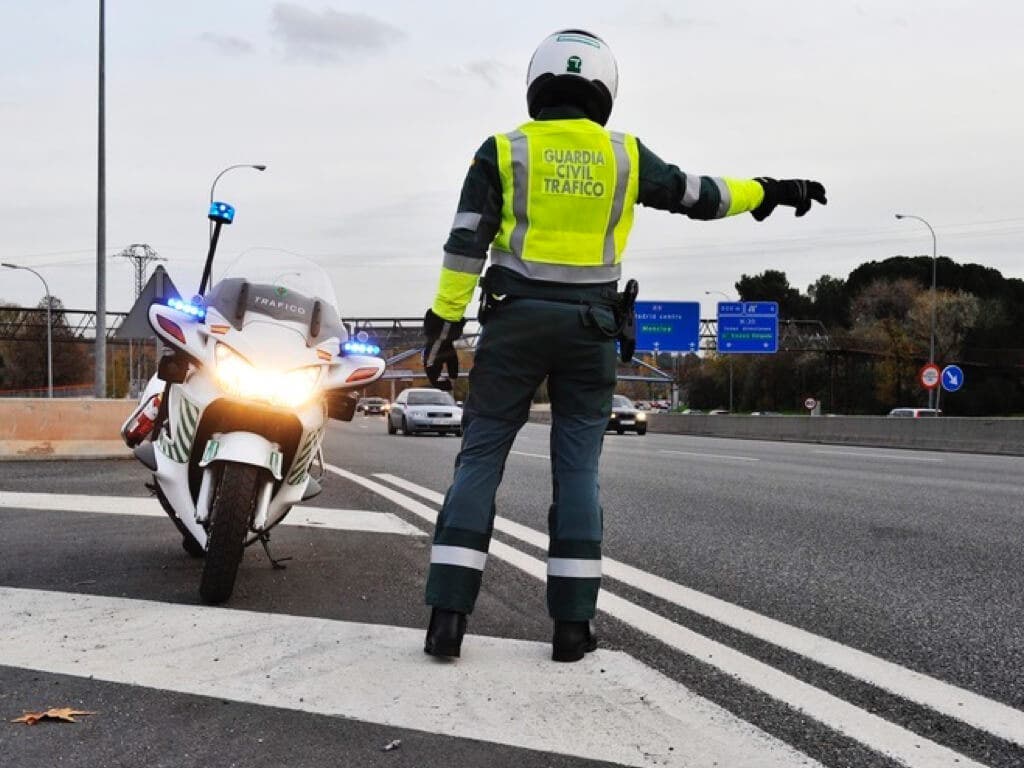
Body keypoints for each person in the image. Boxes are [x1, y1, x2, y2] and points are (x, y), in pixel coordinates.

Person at [421, 29, 826, 662]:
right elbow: (701, 195)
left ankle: (448, 617)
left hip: (514, 324)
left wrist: (443, 329)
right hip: (591, 332)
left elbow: (466, 242)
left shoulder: (502, 150)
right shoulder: (625, 155)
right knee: (577, 473)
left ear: (537, 84)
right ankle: (572, 628)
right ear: (604, 89)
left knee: (479, 461)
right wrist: (771, 190)